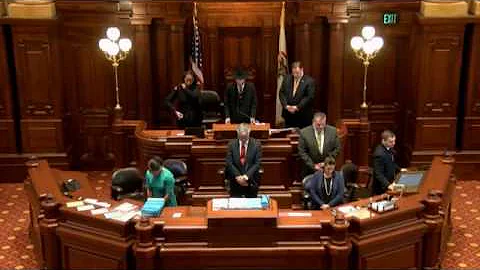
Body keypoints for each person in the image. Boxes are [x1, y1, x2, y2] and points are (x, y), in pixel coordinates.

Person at [298, 112, 341, 177]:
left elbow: (337, 149)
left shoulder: (333, 131)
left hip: (329, 169)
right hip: (310, 171)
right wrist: (313, 166)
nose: (321, 127)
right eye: (318, 125)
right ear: (313, 122)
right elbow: (302, 152)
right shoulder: (304, 133)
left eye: (323, 124)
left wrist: (326, 163)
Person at [225, 123, 262, 198]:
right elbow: (229, 162)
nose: (243, 140)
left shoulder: (257, 144)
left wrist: (246, 177)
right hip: (235, 181)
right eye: (241, 138)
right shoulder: (231, 144)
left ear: (249, 132)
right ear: (237, 133)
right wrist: (238, 176)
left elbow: (257, 163)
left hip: (251, 181)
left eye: (245, 138)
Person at [279, 61, 315, 128]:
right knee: (288, 135)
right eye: (293, 73)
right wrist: (286, 106)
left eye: (297, 73)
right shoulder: (287, 78)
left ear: (302, 69)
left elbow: (309, 97)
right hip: (288, 115)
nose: (295, 75)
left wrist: (297, 107)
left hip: (302, 116)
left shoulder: (309, 81)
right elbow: (281, 93)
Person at [372, 130, 401, 195]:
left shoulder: (389, 148)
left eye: (394, 141)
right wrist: (388, 185)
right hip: (381, 188)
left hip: (390, 181)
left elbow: (391, 163)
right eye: (391, 142)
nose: (394, 143)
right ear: (383, 141)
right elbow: (378, 174)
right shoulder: (379, 154)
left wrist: (400, 169)